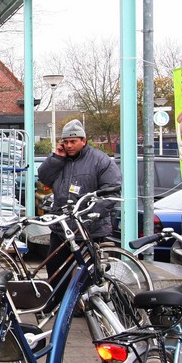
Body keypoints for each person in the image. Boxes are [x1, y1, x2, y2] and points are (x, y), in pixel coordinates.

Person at [36, 119, 121, 282]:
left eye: (73, 141)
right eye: (65, 141)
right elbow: (44, 178)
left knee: (87, 275)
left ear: (83, 140)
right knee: (55, 271)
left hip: (90, 230)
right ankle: (58, 299)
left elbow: (112, 192)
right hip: (62, 228)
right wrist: (56, 159)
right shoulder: (60, 160)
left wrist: (91, 214)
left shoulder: (100, 161)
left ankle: (86, 298)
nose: (68, 145)